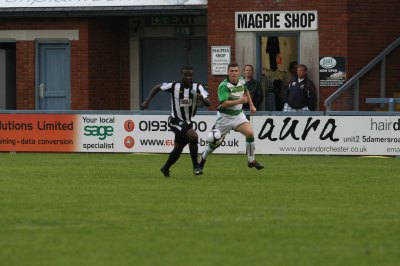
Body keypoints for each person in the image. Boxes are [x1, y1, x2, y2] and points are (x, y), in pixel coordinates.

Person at [140, 66, 210, 177]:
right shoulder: (174, 86)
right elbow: (157, 87)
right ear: (181, 75)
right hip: (175, 121)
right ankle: (196, 167)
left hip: (187, 122)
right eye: (185, 75)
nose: (188, 77)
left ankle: (165, 168)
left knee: (178, 149)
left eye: (190, 75)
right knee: (193, 136)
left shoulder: (198, 87)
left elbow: (208, 103)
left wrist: (200, 97)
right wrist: (147, 101)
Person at [198, 62, 264, 171]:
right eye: (232, 71)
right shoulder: (223, 85)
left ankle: (251, 160)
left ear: (239, 72)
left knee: (250, 133)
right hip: (224, 117)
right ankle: (203, 157)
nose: (234, 73)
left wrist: (252, 105)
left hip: (238, 115)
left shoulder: (242, 81)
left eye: (236, 71)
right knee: (215, 143)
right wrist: (240, 100)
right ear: (228, 72)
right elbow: (223, 103)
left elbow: (246, 91)